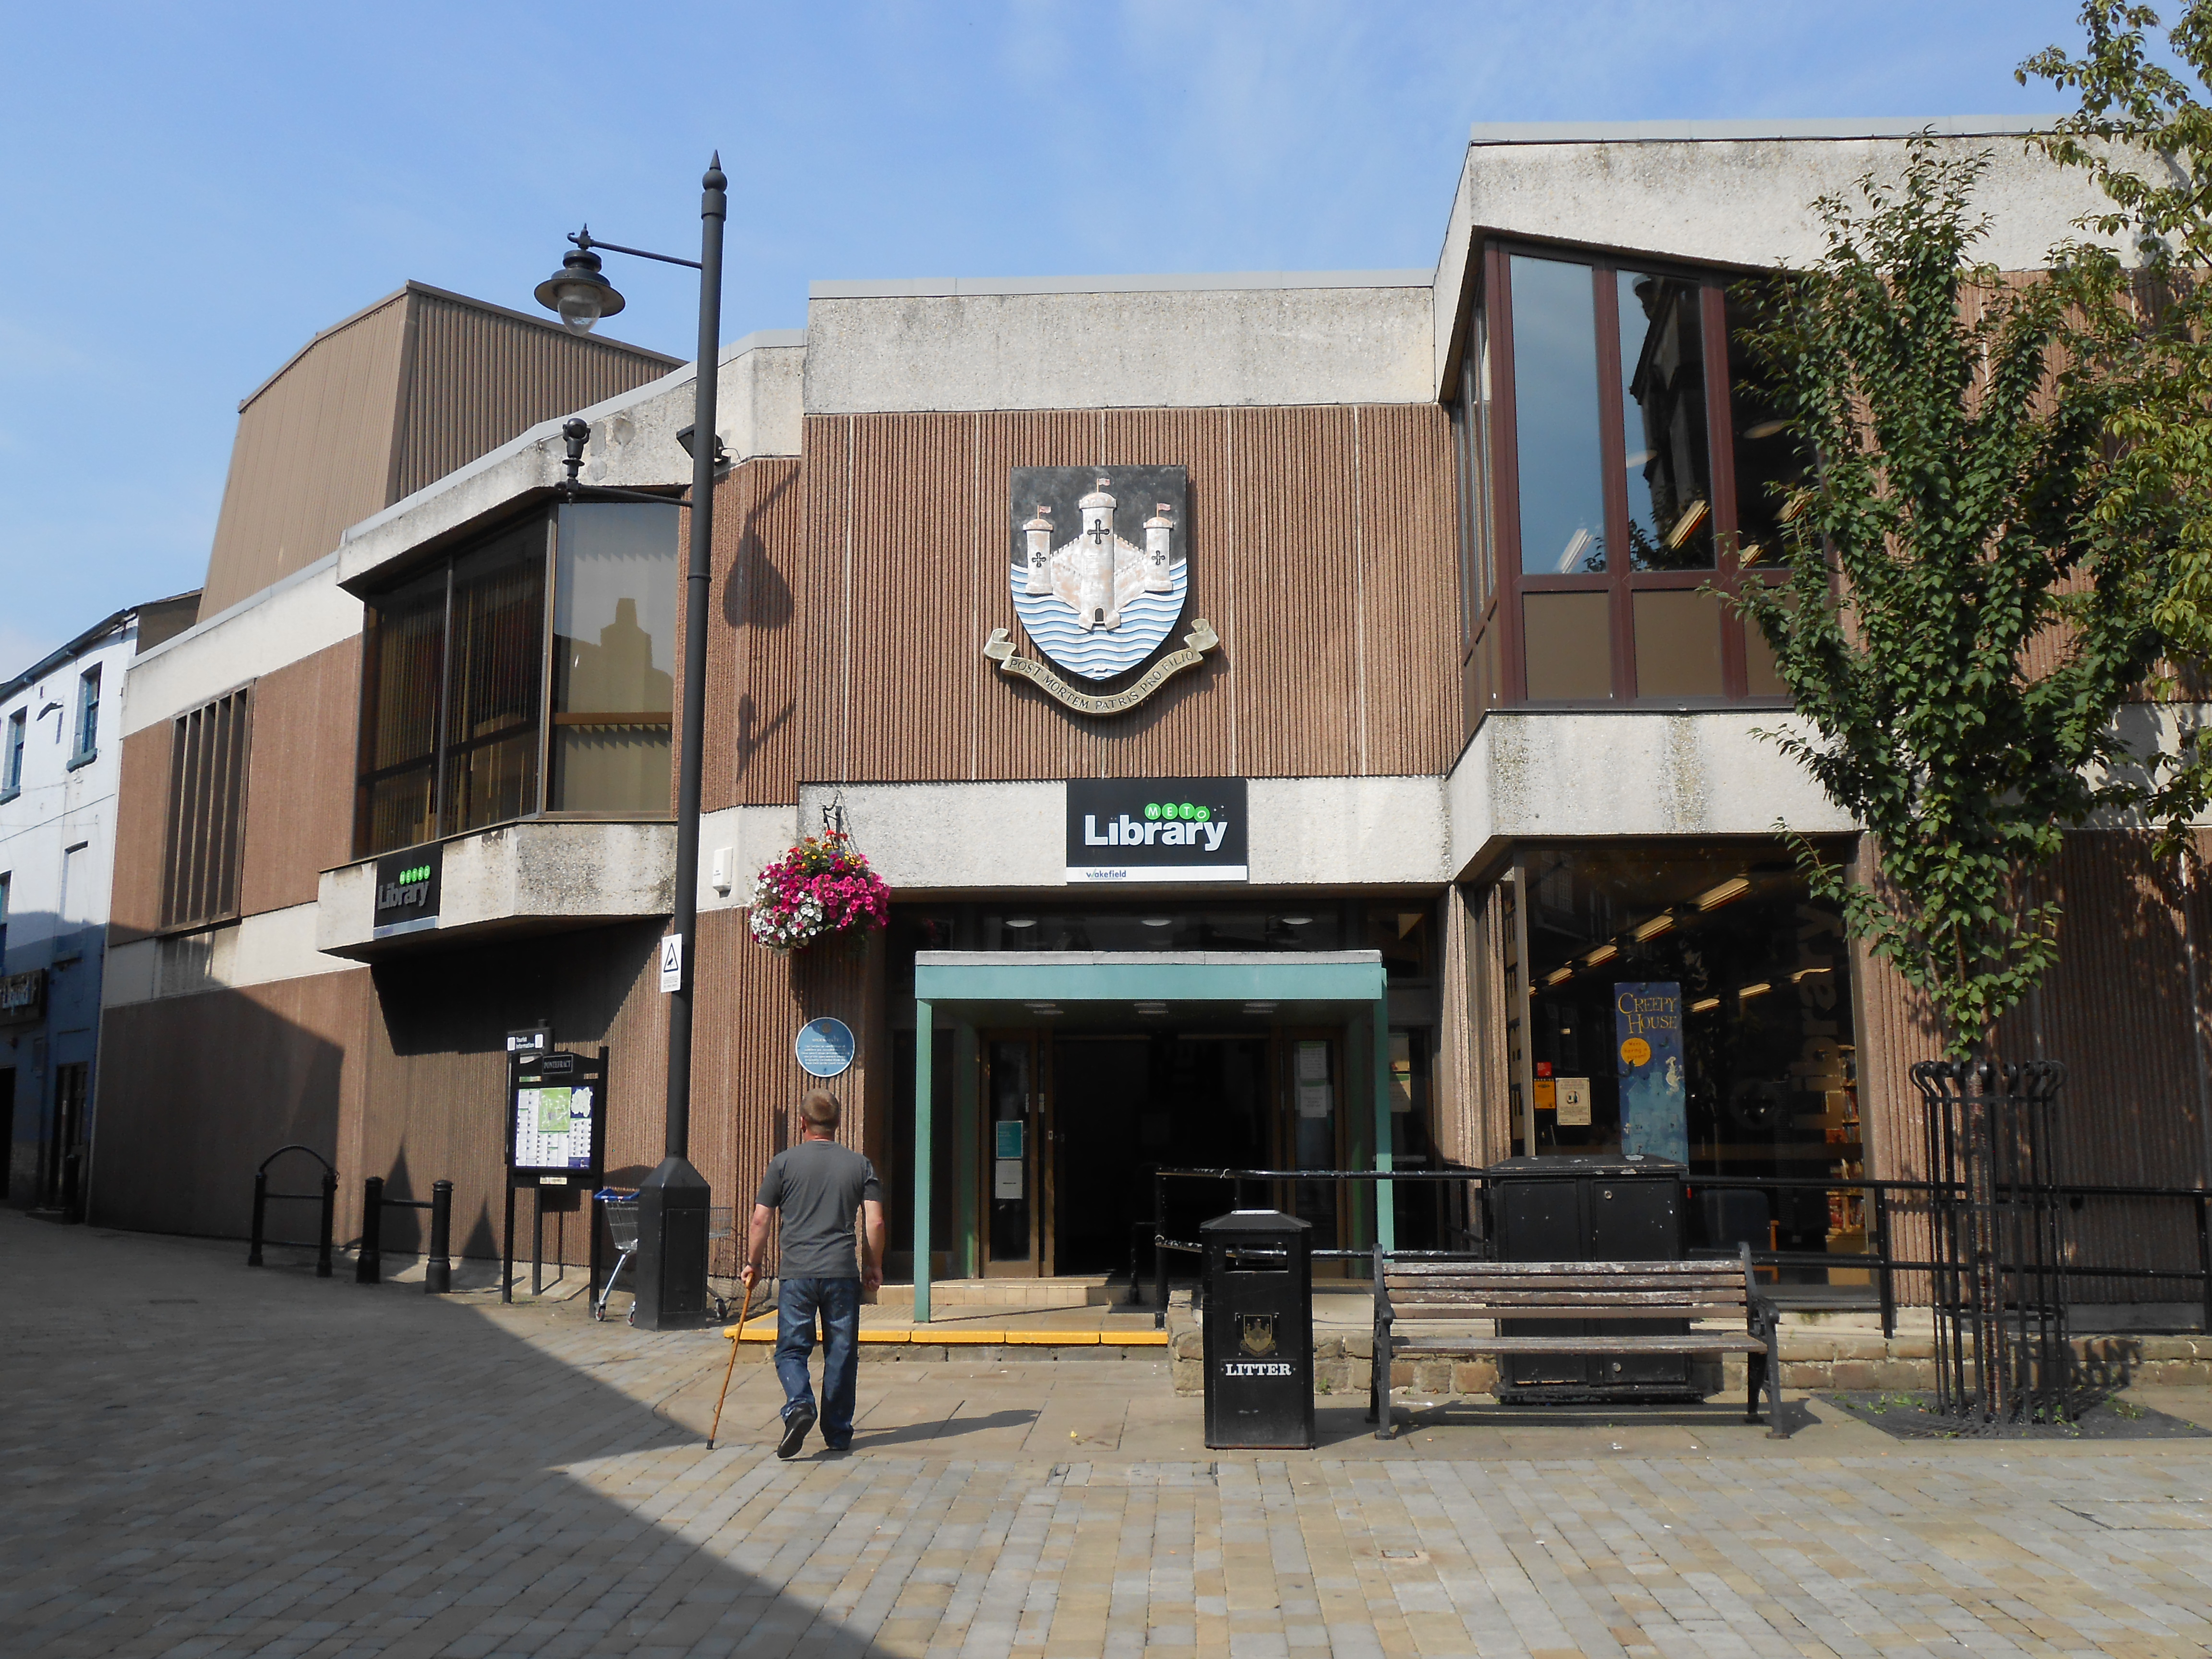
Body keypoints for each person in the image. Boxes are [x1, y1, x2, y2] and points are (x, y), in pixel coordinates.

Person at [742, 1088, 884, 1458]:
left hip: (798, 1273)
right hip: (840, 1272)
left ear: (802, 1123)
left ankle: (800, 1404)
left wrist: (753, 1264)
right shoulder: (860, 1165)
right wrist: (873, 1264)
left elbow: (761, 1219)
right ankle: (837, 1432)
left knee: (791, 1350)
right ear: (837, 1124)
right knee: (841, 1351)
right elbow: (876, 1221)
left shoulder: (783, 1164)